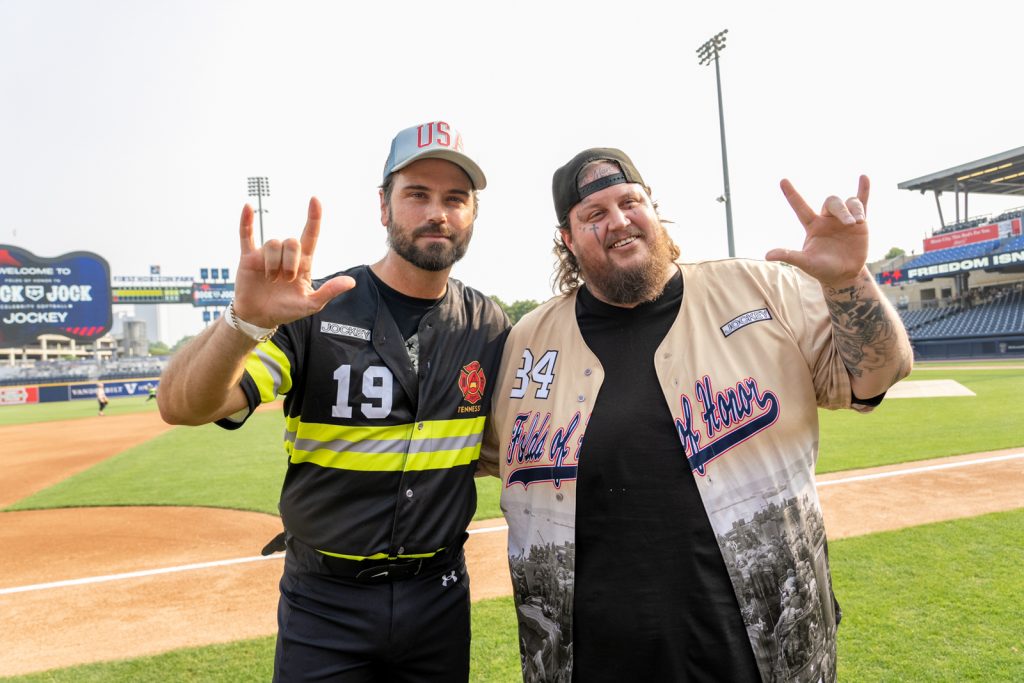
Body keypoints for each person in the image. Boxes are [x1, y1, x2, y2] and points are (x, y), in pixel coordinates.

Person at [482, 147, 912, 682]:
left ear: (653, 210)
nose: (618, 221)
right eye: (593, 215)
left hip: (760, 655)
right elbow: (474, 451)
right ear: (567, 240)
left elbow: (875, 375)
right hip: (591, 661)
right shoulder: (526, 344)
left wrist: (849, 281)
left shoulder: (760, 289)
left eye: (630, 201)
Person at [158, 121, 509, 682]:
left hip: (439, 597)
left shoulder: (486, 324)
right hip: (326, 602)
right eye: (417, 194)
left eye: (455, 198)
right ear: (384, 206)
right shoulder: (317, 308)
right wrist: (243, 323)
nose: (437, 212)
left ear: (472, 214)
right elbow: (184, 405)